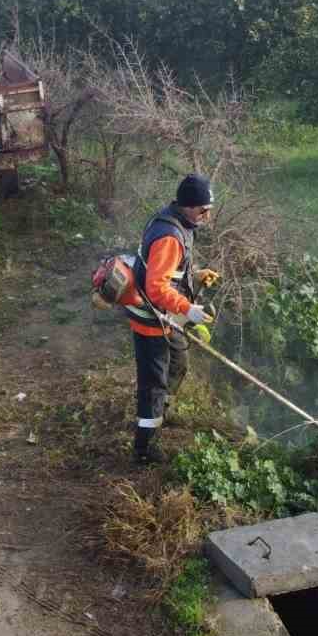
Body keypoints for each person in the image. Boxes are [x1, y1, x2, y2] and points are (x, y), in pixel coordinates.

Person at [124, 175, 221, 465]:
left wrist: (196, 276)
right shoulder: (169, 237)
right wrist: (188, 309)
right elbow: (156, 288)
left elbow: (169, 274)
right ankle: (145, 449)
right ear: (188, 206)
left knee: (178, 362)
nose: (207, 215)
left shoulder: (176, 222)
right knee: (154, 384)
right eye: (203, 209)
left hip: (166, 316)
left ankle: (159, 407)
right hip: (152, 319)